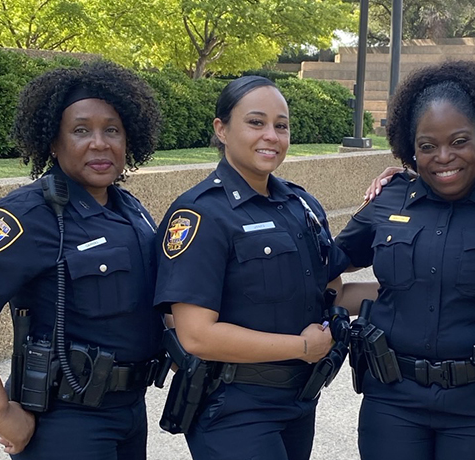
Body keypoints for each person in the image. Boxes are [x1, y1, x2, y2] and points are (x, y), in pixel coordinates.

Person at [0, 60, 165, 459]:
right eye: (80, 131)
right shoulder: (30, 213)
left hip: (128, 411)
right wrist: (0, 413)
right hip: (66, 421)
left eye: (112, 130)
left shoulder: (132, 211)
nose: (100, 143)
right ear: (53, 144)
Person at [335, 60, 475, 460]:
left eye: (459, 141)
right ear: (409, 147)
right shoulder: (389, 200)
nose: (443, 157)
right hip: (393, 402)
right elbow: (324, 269)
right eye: (427, 146)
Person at [152, 75, 353, 460]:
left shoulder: (300, 205)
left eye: (281, 125)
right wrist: (303, 347)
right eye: (256, 122)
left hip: (298, 398)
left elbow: (332, 288)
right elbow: (196, 336)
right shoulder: (200, 213)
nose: (272, 136)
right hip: (233, 407)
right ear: (222, 129)